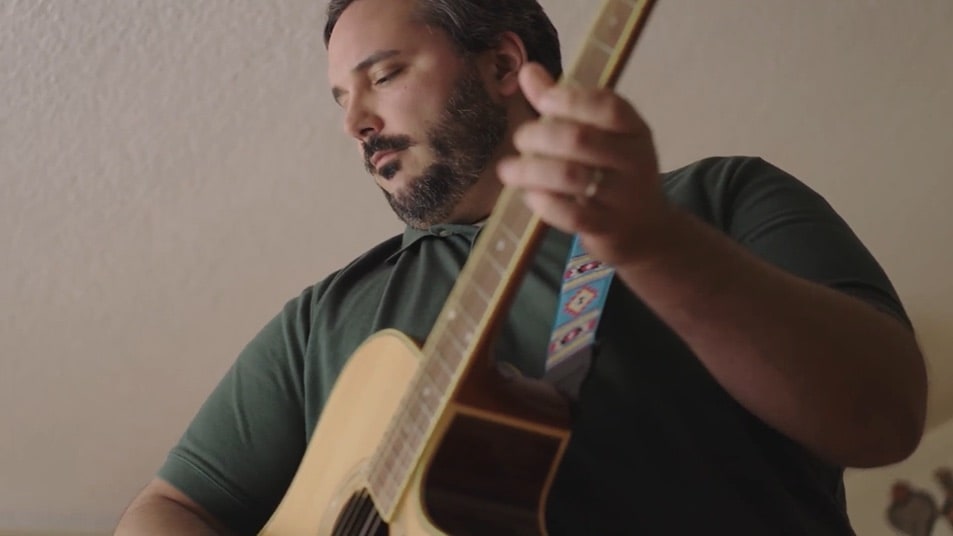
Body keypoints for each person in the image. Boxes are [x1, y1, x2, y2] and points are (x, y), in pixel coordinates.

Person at [115, 0, 928, 533]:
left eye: (383, 76)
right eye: (339, 101)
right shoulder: (320, 322)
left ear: (503, 65)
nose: (356, 121)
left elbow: (883, 416)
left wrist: (650, 242)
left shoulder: (720, 198)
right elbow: (172, 505)